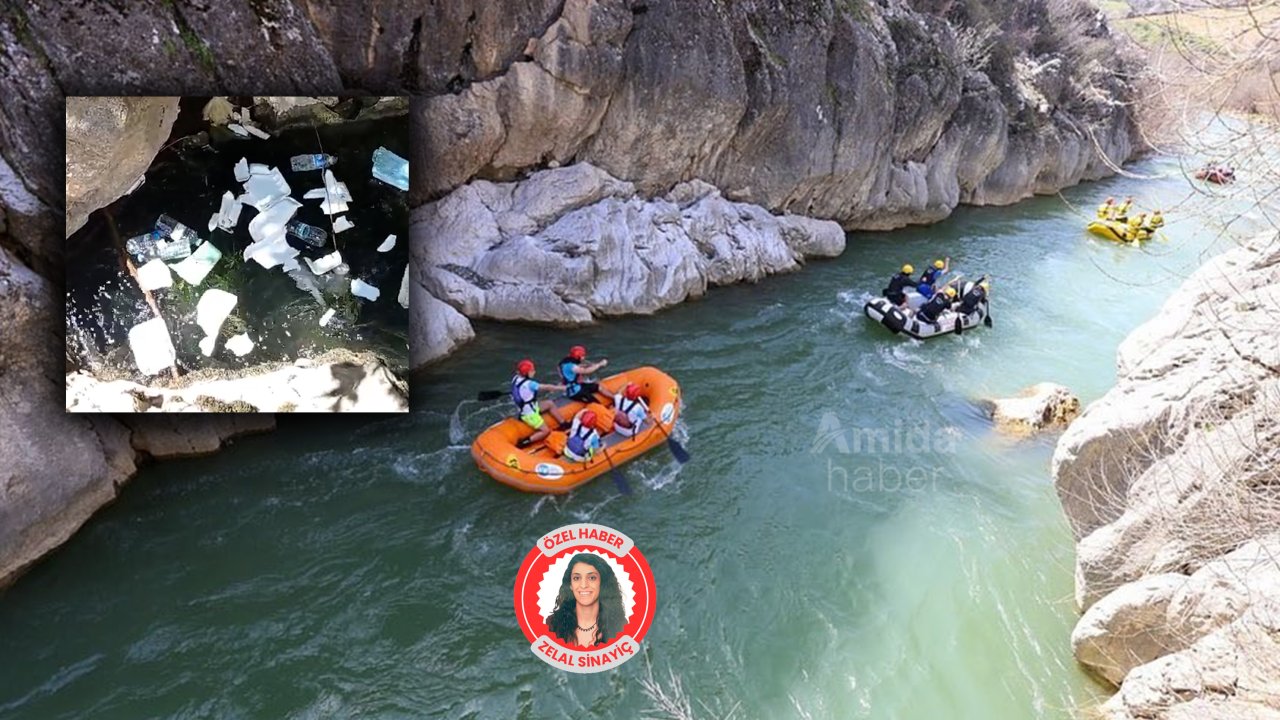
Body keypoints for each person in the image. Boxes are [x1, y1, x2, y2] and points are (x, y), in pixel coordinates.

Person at [545, 553, 627, 648]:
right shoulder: (552, 625)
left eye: (592, 578)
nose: (583, 585)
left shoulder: (621, 626)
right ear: (570, 585)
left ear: (602, 583)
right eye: (577, 578)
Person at [511, 359, 568, 449]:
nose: (534, 372)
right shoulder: (530, 384)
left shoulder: (515, 378)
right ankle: (525, 441)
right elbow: (547, 387)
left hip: (529, 407)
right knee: (546, 431)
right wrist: (561, 388)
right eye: (532, 371)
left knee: (550, 403)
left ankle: (563, 423)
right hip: (529, 414)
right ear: (526, 373)